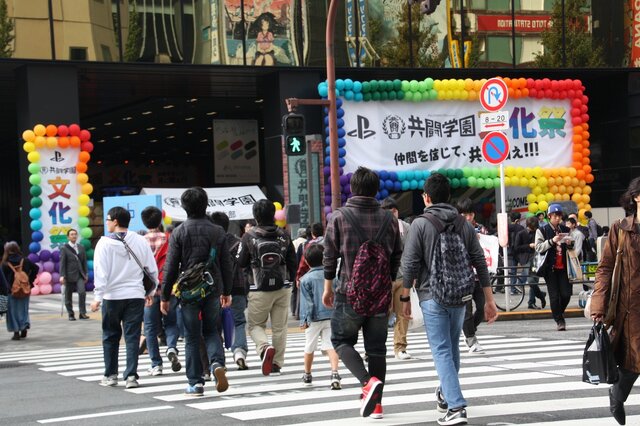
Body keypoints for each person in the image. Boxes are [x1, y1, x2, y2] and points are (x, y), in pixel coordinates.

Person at [401, 173, 498, 426]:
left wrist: (404, 298)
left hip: (431, 295)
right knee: (452, 347)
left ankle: (455, 407)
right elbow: (479, 261)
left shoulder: (420, 224)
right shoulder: (464, 224)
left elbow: (409, 265)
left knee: (442, 350)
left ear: (427, 197)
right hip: (461, 294)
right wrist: (489, 300)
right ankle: (446, 393)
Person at [322, 166, 402, 419]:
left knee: (341, 340)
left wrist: (327, 287)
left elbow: (328, 256)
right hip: (380, 295)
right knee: (377, 349)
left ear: (353, 188)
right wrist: (386, 284)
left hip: (348, 292)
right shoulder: (390, 219)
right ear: (376, 190)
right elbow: (397, 256)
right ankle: (377, 405)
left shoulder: (339, 217)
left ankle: (367, 383)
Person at [160, 187, 233, 396]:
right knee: (211, 330)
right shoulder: (218, 231)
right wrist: (226, 291)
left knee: (192, 336)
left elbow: (171, 266)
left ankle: (195, 382)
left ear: (183, 207)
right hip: (212, 287)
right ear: (206, 204)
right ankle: (217, 363)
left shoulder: (179, 232)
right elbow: (226, 264)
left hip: (189, 291)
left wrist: (165, 295)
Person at [90, 207, 158, 389]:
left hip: (112, 296)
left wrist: (97, 297)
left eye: (107, 219)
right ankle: (131, 377)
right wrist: (150, 292)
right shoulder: (139, 240)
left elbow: (101, 273)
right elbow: (151, 269)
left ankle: (111, 374)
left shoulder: (103, 244)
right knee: (132, 336)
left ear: (115, 221)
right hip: (135, 295)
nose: (106, 222)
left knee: (110, 335)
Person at [590, 176, 640, 426]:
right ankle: (617, 395)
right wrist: (598, 305)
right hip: (630, 310)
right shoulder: (620, 229)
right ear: (636, 197)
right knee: (633, 362)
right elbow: (605, 268)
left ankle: (617, 394)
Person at [237, 199, 297, 376]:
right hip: (283, 286)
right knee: (280, 327)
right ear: (273, 214)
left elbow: (240, 262)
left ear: (255, 216)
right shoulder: (284, 235)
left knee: (255, 325)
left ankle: (264, 347)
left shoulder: (249, 236)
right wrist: (290, 281)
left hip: (258, 287)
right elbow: (293, 261)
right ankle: (277, 363)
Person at [140, 206, 181, 376]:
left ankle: (156, 364)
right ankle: (171, 347)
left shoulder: (140, 241)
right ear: (160, 220)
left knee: (150, 328)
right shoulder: (169, 239)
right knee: (171, 323)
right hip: (168, 289)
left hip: (149, 291)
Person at [210, 211, 250, 371]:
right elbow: (245, 266)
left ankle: (218, 360)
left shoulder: (211, 243)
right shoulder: (238, 242)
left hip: (216, 290)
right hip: (238, 288)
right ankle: (239, 352)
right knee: (238, 322)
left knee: (214, 326)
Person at [299, 243, 341, 390]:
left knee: (309, 347)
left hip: (314, 318)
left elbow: (307, 303)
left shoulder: (305, 279)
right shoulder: (333, 276)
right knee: (331, 346)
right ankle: (335, 373)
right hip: (331, 315)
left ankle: (307, 374)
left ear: (307, 261)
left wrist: (304, 320)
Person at [381, 197, 412, 360]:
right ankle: (375, 348)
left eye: (394, 211)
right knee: (381, 315)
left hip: (402, 277)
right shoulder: (378, 227)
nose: (392, 215)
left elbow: (412, 251)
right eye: (388, 212)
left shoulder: (405, 227)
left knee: (403, 313)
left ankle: (400, 347)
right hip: (383, 279)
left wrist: (412, 275)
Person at [534, 204, 574, 331]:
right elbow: (538, 247)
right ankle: (559, 320)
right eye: (555, 216)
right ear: (549, 216)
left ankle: (558, 312)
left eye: (559, 216)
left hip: (564, 267)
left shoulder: (565, 229)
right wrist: (552, 241)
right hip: (549, 268)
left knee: (566, 294)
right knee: (554, 296)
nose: (558, 218)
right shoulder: (542, 230)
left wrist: (569, 243)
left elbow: (572, 246)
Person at [455, 198, 487, 354]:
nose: (467, 218)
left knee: (482, 307)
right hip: (463, 277)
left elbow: (489, 249)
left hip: (479, 276)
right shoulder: (455, 230)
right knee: (467, 310)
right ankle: (471, 339)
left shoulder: (482, 229)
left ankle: (469, 329)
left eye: (470, 214)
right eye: (463, 214)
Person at [2, 242, 38, 340]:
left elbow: (2, 278)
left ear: (7, 250)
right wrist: (30, 280)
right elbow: (36, 268)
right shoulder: (25, 260)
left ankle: (16, 332)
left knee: (12, 312)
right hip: (25, 289)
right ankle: (24, 327)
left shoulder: (5, 263)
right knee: (23, 309)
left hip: (11, 290)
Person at [513, 216, 546, 310]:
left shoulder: (538, 232)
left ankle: (531, 302)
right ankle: (541, 295)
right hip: (526, 259)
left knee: (534, 280)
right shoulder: (521, 234)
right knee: (531, 281)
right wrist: (529, 245)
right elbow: (516, 248)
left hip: (537, 258)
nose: (534, 229)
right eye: (533, 227)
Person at [59, 229, 89, 321]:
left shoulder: (81, 247)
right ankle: (70, 314)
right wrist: (62, 275)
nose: (74, 236)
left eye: (75, 234)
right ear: (68, 237)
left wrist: (86, 274)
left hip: (80, 275)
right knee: (68, 295)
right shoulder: (64, 248)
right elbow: (62, 263)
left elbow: (84, 261)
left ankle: (82, 313)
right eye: (72, 234)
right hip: (68, 275)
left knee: (82, 292)